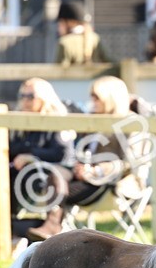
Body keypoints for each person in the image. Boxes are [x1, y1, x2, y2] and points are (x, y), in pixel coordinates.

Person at [0, 77, 75, 239]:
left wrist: (31, 156)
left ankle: (46, 225)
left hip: (45, 174)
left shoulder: (56, 120)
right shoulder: (18, 122)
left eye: (30, 96)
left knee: (11, 181)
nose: (25, 101)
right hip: (18, 173)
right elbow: (9, 148)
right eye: (22, 96)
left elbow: (62, 154)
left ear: (44, 98)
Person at [26, 75, 135, 241]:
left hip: (107, 181)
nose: (92, 101)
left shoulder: (130, 123)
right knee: (56, 174)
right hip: (81, 175)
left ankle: (53, 226)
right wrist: (80, 166)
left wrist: (95, 170)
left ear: (111, 98)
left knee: (55, 187)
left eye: (96, 97)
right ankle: (53, 225)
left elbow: (128, 163)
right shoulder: (90, 119)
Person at [55, 0, 110, 66]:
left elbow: (59, 72)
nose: (58, 27)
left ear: (70, 22)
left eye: (61, 22)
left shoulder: (64, 43)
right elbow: (108, 60)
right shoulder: (95, 39)